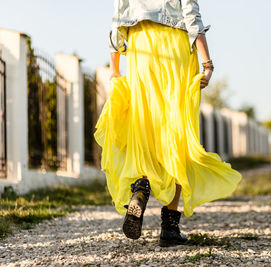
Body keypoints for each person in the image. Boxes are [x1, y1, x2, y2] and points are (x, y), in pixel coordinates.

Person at [94, 0, 242, 247]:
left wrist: (115, 68)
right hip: (174, 49)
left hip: (141, 49)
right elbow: (191, 15)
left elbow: (117, 19)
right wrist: (207, 64)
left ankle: (141, 187)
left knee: (145, 127)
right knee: (176, 134)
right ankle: (169, 228)